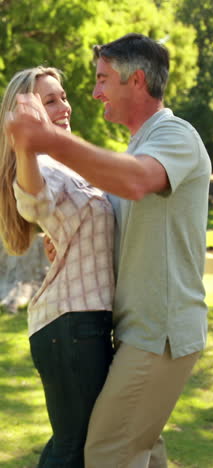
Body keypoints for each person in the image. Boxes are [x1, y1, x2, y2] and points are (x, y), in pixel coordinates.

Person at [6, 33, 212, 468]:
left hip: (162, 332)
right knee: (143, 453)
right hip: (135, 331)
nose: (94, 92)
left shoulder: (176, 135)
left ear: (135, 81)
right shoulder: (136, 147)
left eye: (102, 79)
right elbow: (107, 212)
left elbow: (137, 182)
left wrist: (47, 140)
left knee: (107, 452)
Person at [0, 66, 115, 468]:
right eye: (49, 100)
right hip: (71, 326)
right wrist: (26, 146)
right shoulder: (42, 165)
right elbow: (34, 200)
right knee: (74, 448)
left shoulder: (68, 164)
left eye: (62, 96)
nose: (64, 106)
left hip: (84, 322)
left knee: (78, 445)